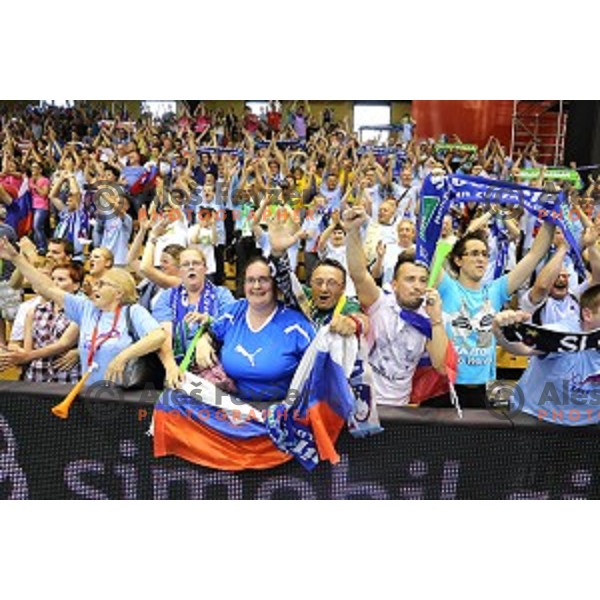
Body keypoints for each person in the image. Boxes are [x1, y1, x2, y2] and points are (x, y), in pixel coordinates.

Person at [0, 237, 166, 387]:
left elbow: (158, 336)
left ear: (119, 292)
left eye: (102, 285)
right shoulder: (86, 308)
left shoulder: (133, 311)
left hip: (124, 395)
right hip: (89, 391)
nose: (95, 288)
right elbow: (47, 287)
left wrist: (123, 357)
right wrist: (16, 258)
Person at [435, 221, 555, 408]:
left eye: (484, 254)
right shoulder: (447, 287)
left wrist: (550, 218)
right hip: (447, 387)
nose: (481, 259)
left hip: (484, 389)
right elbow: (427, 249)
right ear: (458, 260)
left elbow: (534, 255)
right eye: (474, 254)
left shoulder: (495, 290)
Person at [344, 206, 449, 406]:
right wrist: (353, 232)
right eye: (410, 279)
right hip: (362, 402)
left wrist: (436, 321)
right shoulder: (380, 302)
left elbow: (441, 367)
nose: (417, 286)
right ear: (394, 284)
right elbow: (358, 274)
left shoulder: (430, 317)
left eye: (422, 280)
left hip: (401, 407)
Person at [195, 256, 315, 402]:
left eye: (263, 279)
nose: (256, 286)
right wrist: (203, 341)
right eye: (251, 280)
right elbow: (211, 331)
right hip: (233, 407)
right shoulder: (233, 312)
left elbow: (316, 374)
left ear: (274, 285)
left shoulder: (297, 324)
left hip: (280, 409)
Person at [493, 285, 600, 426]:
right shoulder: (560, 334)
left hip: (589, 427)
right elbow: (523, 348)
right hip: (536, 420)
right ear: (588, 315)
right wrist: (502, 332)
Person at [153, 247, 235, 388]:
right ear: (179, 271)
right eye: (185, 264)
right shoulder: (167, 297)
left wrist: (207, 332)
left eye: (196, 263)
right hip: (177, 369)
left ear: (205, 268)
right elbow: (164, 334)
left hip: (216, 370)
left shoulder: (222, 294)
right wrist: (171, 367)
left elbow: (232, 326)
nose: (191, 267)